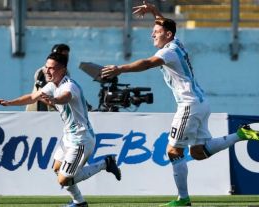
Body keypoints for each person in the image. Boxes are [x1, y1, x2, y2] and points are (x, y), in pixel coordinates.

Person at [101, 2, 259, 206]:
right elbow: (165, 24)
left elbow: (147, 63)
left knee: (174, 151)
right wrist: (154, 12)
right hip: (201, 102)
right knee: (198, 152)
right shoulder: (176, 42)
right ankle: (240, 134)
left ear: (167, 34)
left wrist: (120, 69)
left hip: (189, 105)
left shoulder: (168, 52)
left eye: (156, 32)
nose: (152, 34)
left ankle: (183, 200)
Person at [0, 52, 121, 207]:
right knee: (57, 168)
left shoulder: (69, 86)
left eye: (51, 68)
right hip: (68, 137)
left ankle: (105, 163)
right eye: (46, 67)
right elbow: (32, 97)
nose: (47, 71)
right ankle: (79, 202)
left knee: (63, 179)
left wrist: (54, 100)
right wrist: (9, 103)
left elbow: (65, 97)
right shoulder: (52, 85)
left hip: (81, 140)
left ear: (63, 70)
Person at [26, 43, 70, 111]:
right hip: (41, 111)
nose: (66, 58)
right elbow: (41, 95)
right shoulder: (46, 72)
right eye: (64, 56)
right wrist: (57, 106)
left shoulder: (64, 71)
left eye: (67, 56)